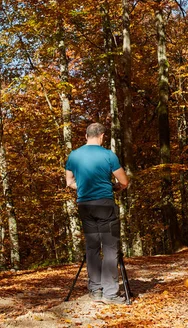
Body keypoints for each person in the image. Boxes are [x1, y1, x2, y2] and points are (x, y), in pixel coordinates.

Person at [65, 122, 129, 305]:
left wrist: (83, 187)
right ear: (102, 136)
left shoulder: (74, 155)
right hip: (105, 205)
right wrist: (116, 187)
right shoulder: (108, 155)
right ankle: (110, 294)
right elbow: (124, 181)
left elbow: (69, 182)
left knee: (92, 247)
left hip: (84, 205)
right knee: (109, 247)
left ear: (86, 136)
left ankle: (95, 289)